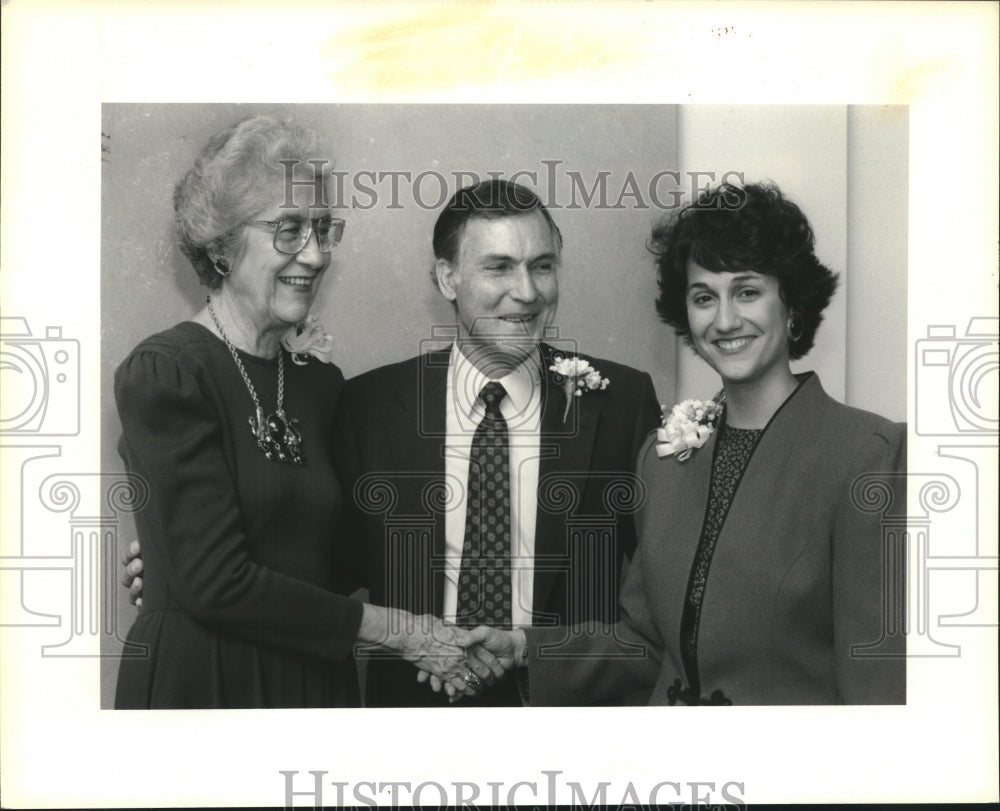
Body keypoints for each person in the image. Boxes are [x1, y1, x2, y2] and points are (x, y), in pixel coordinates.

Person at [113, 115, 498, 709]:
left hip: (314, 681)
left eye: (323, 229)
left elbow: (347, 554)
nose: (316, 254)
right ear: (221, 246)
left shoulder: (321, 387)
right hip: (208, 682)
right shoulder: (169, 371)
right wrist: (400, 632)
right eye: (289, 230)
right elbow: (215, 583)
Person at [473, 181, 907, 705]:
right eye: (704, 297)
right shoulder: (665, 460)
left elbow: (877, 689)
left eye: (747, 292)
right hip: (673, 777)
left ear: (791, 305)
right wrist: (524, 648)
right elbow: (649, 645)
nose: (724, 320)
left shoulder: (868, 455)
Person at [330, 179, 662, 706]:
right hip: (413, 728)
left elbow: (666, 583)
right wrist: (170, 564)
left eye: (542, 266)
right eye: (499, 267)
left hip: (568, 720)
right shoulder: (370, 407)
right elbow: (322, 564)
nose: (527, 292)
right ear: (447, 277)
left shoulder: (620, 402)